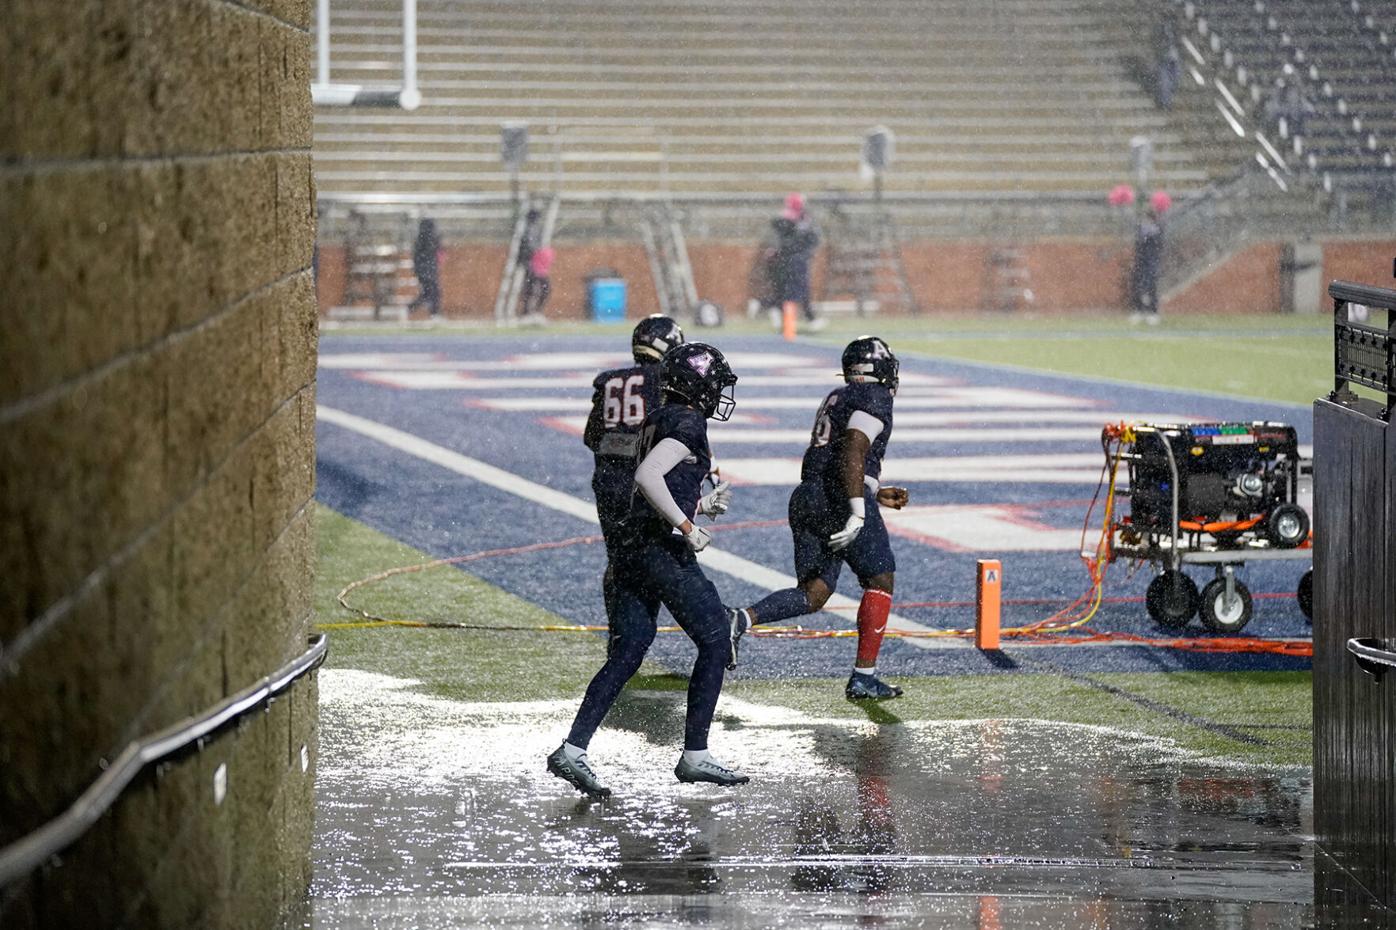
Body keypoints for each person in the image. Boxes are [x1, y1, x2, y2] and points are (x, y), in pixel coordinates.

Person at [548, 343, 748, 796]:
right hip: (660, 549)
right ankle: (695, 754)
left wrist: (697, 504)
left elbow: (656, 483)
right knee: (716, 639)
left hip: (631, 547)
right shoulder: (688, 420)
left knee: (628, 651)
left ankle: (573, 750)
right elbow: (648, 477)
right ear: (699, 385)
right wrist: (686, 525)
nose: (718, 392)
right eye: (714, 383)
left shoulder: (657, 417)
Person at [729, 336, 910, 700]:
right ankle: (864, 676)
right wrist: (858, 508)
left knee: (814, 593)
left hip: (807, 495)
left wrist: (873, 490)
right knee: (880, 578)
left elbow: (835, 455)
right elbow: (855, 446)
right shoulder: (874, 397)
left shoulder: (838, 395)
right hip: (838, 498)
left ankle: (739, 619)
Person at [582, 315, 695, 614]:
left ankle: (620, 630)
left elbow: (592, 437)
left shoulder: (610, 381)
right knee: (665, 559)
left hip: (607, 482)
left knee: (619, 561)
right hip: (645, 486)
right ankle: (707, 625)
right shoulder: (662, 381)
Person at [770, 192, 822, 330]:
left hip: (792, 259)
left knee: (791, 290)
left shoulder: (800, 220)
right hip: (791, 260)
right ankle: (791, 321)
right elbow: (790, 242)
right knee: (792, 290)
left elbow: (813, 238)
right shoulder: (790, 222)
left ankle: (794, 319)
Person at [1129, 195, 1168, 324]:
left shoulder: (1158, 228)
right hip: (1142, 260)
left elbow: (1157, 243)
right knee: (1138, 286)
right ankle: (1139, 311)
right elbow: (1138, 245)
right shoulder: (1142, 228)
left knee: (1151, 286)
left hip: (1151, 261)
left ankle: (1152, 312)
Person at [407, 218, 442, 317]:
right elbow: (432, 255)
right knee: (432, 292)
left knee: (428, 293)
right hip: (428, 271)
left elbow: (417, 257)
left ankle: (411, 308)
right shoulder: (429, 239)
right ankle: (434, 313)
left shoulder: (420, 239)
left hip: (424, 271)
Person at [520, 245, 554, 322]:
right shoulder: (533, 247)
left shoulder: (549, 251)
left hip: (541, 274)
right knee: (530, 292)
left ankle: (536, 312)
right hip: (533, 272)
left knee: (544, 292)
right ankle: (526, 313)